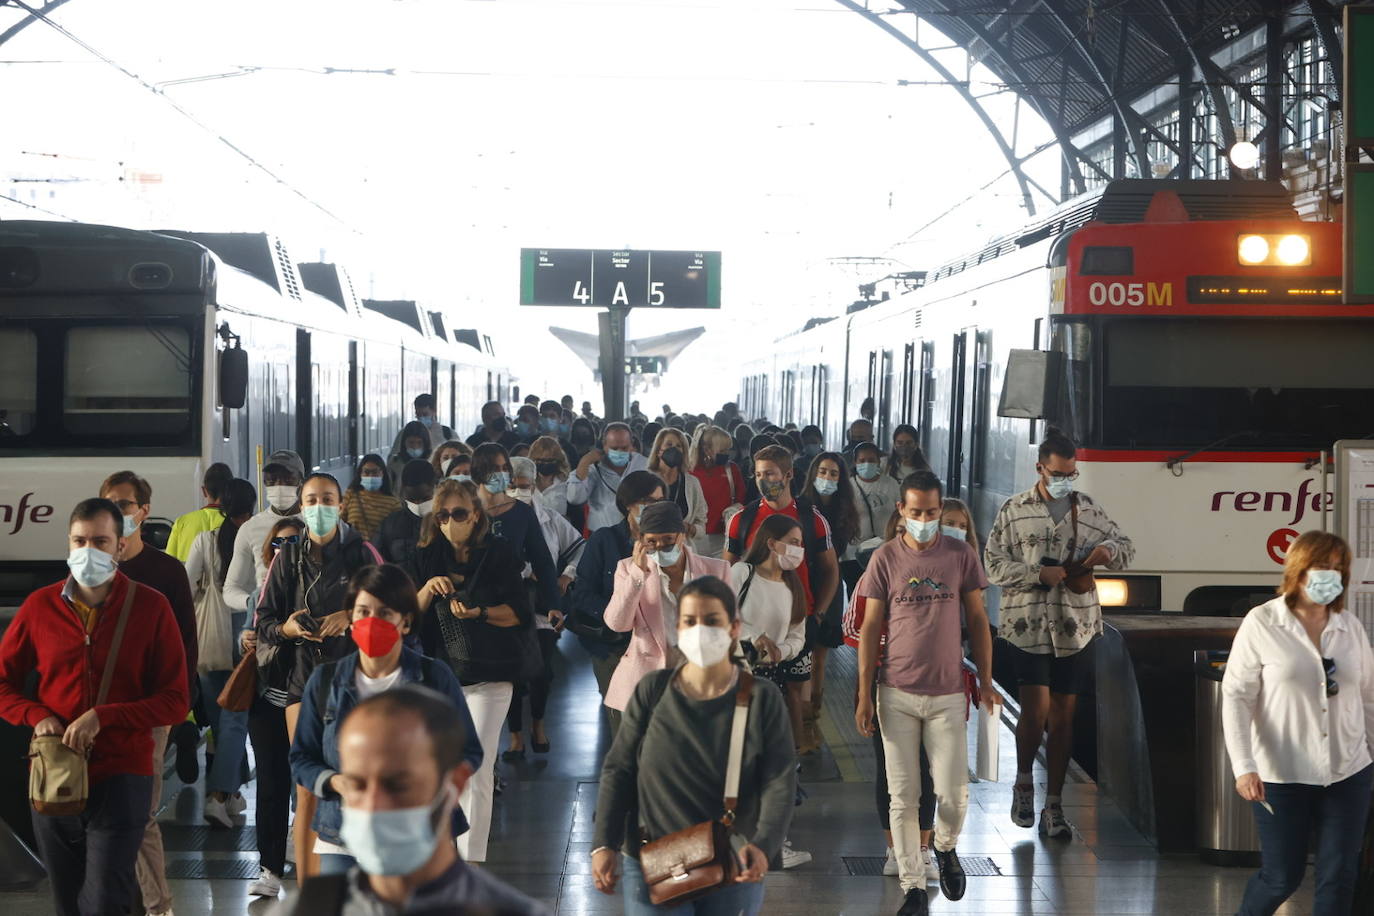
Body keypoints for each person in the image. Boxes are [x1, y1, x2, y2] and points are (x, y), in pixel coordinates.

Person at [0, 498, 189, 916]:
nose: (88, 551)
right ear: (68, 545)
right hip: (54, 778)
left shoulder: (151, 607)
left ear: (120, 547)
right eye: (79, 541)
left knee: (105, 899)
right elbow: (3, 683)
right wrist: (37, 716)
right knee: (68, 901)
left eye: (100, 541)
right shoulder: (39, 607)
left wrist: (106, 716)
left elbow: (175, 700)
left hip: (123, 775)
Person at [593, 576, 794, 915]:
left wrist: (764, 845)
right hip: (652, 856)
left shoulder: (760, 697)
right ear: (678, 627)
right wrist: (603, 843)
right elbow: (620, 768)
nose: (700, 630)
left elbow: (779, 778)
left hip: (732, 857)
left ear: (734, 628)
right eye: (690, 621)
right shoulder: (653, 690)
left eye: (712, 621)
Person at [855, 471, 997, 915]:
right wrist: (863, 694)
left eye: (931, 513)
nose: (924, 520)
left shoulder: (960, 555)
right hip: (894, 691)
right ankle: (913, 885)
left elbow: (977, 620)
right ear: (901, 510)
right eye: (915, 512)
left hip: (948, 693)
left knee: (953, 792)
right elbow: (870, 627)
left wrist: (988, 681)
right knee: (903, 794)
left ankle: (946, 844)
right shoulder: (884, 559)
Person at [277, 686, 550, 915]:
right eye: (356, 783)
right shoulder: (312, 908)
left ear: (454, 782)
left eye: (396, 784)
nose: (373, 804)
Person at [984, 429, 1133, 839]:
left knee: (1065, 716)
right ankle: (1023, 783)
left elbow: (1125, 545)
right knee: (1035, 710)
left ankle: (1055, 805)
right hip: (1026, 626)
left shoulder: (1088, 510)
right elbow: (993, 565)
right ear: (1040, 469)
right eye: (1058, 473)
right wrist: (1037, 574)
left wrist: (1109, 553)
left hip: (1076, 627)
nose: (1066, 480)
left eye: (1072, 473)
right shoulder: (1013, 510)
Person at [289, 564, 483, 875]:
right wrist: (335, 781)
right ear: (350, 619)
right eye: (363, 611)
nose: (371, 621)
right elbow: (301, 757)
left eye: (384, 613)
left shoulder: (433, 678)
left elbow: (468, 751)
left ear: (405, 622)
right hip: (343, 836)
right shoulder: (325, 681)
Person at [1222, 532, 1374, 916]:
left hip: (1348, 772)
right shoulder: (1263, 622)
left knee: (1339, 875)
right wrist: (1244, 767)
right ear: (1298, 569)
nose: (1332, 576)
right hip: (1281, 775)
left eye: (1338, 569)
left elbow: (1368, 697)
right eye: (1323, 567)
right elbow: (1238, 697)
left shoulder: (1349, 626)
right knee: (1282, 877)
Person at [256, 472, 382, 880]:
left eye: (327, 499)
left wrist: (351, 615)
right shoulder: (287, 556)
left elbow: (392, 611)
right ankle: (310, 892)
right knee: (307, 785)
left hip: (356, 679)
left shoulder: (362, 552)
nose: (318, 508)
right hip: (303, 679)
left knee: (356, 778)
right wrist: (288, 629)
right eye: (310, 500)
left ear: (341, 503)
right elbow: (265, 622)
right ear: (300, 505)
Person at [410, 479, 536, 863]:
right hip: (440, 675)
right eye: (443, 515)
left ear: (475, 515)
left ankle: (471, 859)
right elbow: (407, 618)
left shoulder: (497, 554)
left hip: (492, 673)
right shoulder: (426, 556)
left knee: (476, 761)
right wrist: (428, 590)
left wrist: (480, 611)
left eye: (459, 514)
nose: (450, 522)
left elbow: (519, 614)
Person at [98, 470, 197, 916]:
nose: (120, 514)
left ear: (144, 511)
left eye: (126, 505)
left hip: (152, 709)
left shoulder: (166, 572)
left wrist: (181, 706)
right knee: (109, 810)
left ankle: (158, 906)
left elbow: (185, 644)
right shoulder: (90, 569)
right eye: (111, 505)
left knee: (140, 809)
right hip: (97, 709)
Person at [725, 444, 839, 755]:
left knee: (798, 691)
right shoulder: (743, 519)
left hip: (799, 619)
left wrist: (819, 613)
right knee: (756, 693)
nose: (763, 480)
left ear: (788, 475)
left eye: (770, 474)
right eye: (759, 474)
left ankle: (799, 744)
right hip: (754, 626)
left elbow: (831, 570)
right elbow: (728, 568)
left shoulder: (811, 518)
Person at [603, 500, 731, 717]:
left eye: (668, 540)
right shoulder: (627, 569)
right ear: (641, 542)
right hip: (648, 683)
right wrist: (638, 575)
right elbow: (618, 624)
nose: (661, 546)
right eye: (652, 541)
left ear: (682, 536)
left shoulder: (716, 571)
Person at [568, 470, 664, 736]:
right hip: (613, 648)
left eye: (659, 501)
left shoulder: (668, 545)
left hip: (656, 648)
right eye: (647, 501)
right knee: (625, 730)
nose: (653, 508)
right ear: (628, 503)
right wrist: (621, 615)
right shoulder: (604, 540)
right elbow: (583, 594)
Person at [185, 477, 257, 829]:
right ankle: (218, 796)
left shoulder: (205, 540)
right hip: (247, 638)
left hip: (209, 640)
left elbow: (186, 585)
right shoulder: (257, 540)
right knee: (235, 722)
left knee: (221, 722)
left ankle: (229, 795)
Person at [243, 516, 307, 898]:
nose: (287, 550)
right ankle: (269, 867)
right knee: (271, 784)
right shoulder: (259, 595)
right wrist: (248, 639)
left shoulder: (318, 587)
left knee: (309, 784)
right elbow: (255, 633)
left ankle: (304, 851)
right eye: (280, 544)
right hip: (268, 700)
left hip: (307, 701)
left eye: (295, 542)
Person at [504, 457, 583, 758]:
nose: (517, 492)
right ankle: (514, 735)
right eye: (512, 486)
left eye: (523, 487)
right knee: (510, 671)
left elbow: (578, 546)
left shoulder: (548, 517)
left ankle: (538, 724)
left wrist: (565, 575)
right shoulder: (494, 517)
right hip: (508, 603)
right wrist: (528, 570)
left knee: (541, 671)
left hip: (543, 606)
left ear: (534, 486)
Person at [470, 443, 563, 624]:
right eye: (494, 468)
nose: (501, 473)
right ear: (479, 472)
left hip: (512, 599)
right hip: (473, 597)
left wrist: (554, 603)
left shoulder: (522, 512)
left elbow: (541, 560)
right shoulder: (465, 511)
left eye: (505, 468)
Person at [801, 450, 861, 732]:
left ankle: (813, 714)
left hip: (829, 583)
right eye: (822, 472)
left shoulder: (845, 511)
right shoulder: (800, 507)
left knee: (820, 654)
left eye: (833, 473)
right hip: (801, 581)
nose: (826, 478)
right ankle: (799, 712)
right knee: (799, 651)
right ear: (813, 474)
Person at [224, 449, 305, 615]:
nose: (279, 485)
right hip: (268, 624)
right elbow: (231, 589)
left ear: (301, 481)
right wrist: (253, 602)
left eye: (288, 479)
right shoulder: (250, 528)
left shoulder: (316, 524)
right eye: (272, 480)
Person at [568, 421, 650, 532]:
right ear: (604, 445)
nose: (619, 452)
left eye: (624, 448)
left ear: (632, 444)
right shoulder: (592, 468)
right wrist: (584, 463)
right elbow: (575, 498)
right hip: (601, 534)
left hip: (637, 532)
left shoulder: (643, 465)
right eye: (614, 448)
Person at [689, 424, 745, 559]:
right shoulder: (690, 472)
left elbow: (741, 498)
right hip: (696, 535)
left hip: (724, 535)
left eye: (728, 450)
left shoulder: (732, 469)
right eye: (723, 450)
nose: (727, 454)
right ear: (707, 449)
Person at [647, 427, 707, 541]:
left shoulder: (692, 483)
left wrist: (689, 528)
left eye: (679, 446)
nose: (674, 449)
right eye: (669, 445)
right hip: (652, 548)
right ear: (659, 451)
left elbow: (702, 523)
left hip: (683, 549)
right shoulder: (645, 479)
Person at [165, 462, 233, 561]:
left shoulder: (182, 522)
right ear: (230, 490)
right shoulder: (235, 522)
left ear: (204, 491)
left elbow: (168, 562)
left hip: (186, 576)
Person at [374, 459, 436, 566]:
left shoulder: (446, 521)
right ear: (403, 492)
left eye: (425, 498)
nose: (418, 504)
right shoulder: (390, 524)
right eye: (412, 499)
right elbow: (377, 561)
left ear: (435, 488)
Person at [339, 453, 400, 543]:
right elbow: (340, 522)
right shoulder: (351, 495)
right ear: (360, 474)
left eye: (375, 472)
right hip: (353, 550)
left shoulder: (393, 503)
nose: (370, 476)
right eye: (366, 472)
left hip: (379, 552)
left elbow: (396, 532)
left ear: (382, 473)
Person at [852, 441, 900, 546]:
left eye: (871, 460)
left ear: (879, 461)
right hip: (855, 546)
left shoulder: (891, 483)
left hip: (886, 545)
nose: (867, 464)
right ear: (855, 462)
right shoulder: (849, 485)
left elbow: (900, 513)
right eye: (862, 460)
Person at [388, 393, 456, 462]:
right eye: (418, 415)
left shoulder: (448, 434)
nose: (421, 418)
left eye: (425, 414)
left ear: (434, 411)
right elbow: (393, 460)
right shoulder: (405, 433)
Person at [529, 434, 573, 518]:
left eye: (550, 460)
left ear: (558, 460)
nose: (545, 463)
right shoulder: (527, 484)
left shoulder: (566, 484)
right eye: (540, 460)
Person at [388, 420, 432, 485]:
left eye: (419, 443)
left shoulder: (433, 462)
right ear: (404, 443)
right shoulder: (395, 463)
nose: (415, 447)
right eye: (411, 442)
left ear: (426, 443)